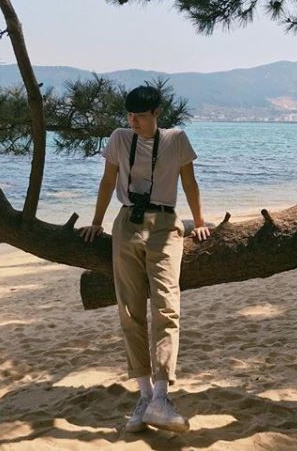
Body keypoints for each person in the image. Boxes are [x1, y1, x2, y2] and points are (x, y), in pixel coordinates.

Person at [80, 85, 210, 434]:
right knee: (129, 310)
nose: (132, 121)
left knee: (167, 307)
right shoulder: (120, 138)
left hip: (165, 224)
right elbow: (107, 181)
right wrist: (96, 222)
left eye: (139, 115)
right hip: (126, 224)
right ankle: (145, 396)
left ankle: (162, 396)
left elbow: (190, 183)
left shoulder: (176, 139)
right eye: (129, 115)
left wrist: (199, 222)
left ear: (156, 113)